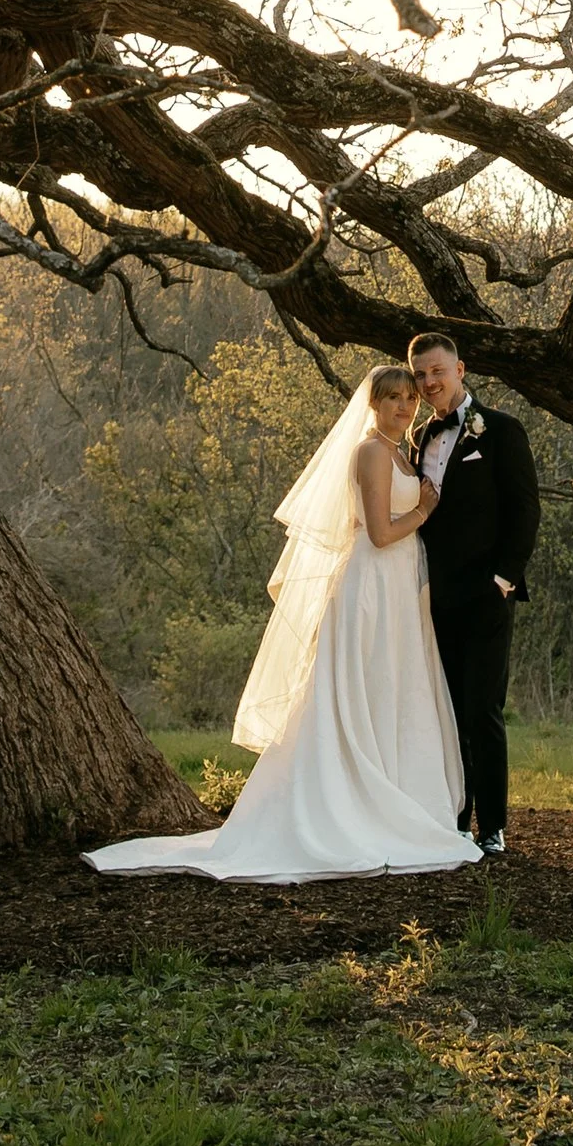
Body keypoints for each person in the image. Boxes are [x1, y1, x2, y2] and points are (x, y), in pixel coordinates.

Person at [84, 364, 483, 887]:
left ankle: (394, 792)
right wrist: (425, 511)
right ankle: (344, 804)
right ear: (373, 404)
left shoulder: (397, 451)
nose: (404, 407)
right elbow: (382, 533)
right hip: (371, 587)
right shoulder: (369, 452)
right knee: (361, 688)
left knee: (393, 689)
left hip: (397, 592)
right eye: (392, 399)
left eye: (409, 398)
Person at [406, 332, 539, 857]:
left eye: (437, 370)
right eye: (419, 375)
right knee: (444, 711)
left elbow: (525, 511)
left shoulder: (501, 430)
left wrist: (503, 582)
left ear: (460, 370)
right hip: (431, 601)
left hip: (487, 598)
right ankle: (454, 820)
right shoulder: (417, 440)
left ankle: (493, 825)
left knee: (483, 710)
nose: (429, 381)